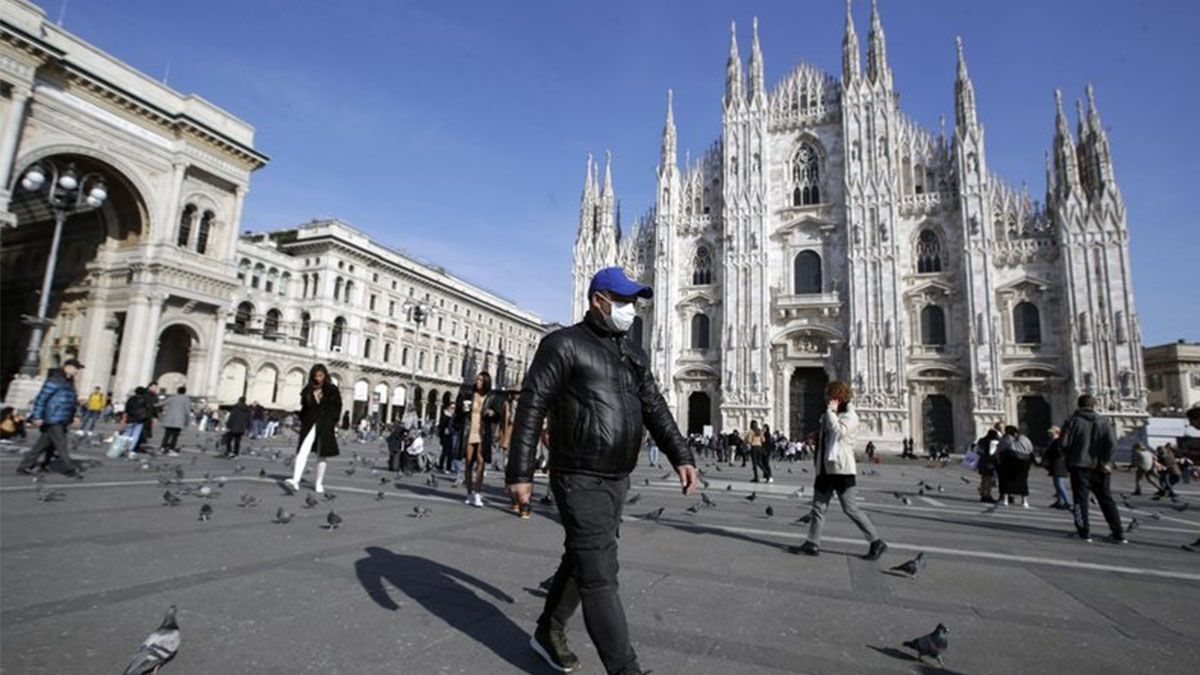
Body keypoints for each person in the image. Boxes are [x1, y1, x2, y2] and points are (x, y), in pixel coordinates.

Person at [506, 266, 697, 675]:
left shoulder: (632, 353)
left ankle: (548, 630)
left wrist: (681, 454)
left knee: (583, 557)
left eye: (633, 301)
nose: (631, 308)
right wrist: (520, 472)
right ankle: (625, 669)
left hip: (617, 477)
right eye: (624, 300)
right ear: (599, 300)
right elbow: (531, 404)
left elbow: (655, 407)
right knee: (600, 573)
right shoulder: (563, 344)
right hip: (577, 474)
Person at [794, 381, 888, 560]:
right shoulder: (833, 414)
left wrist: (829, 412)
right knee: (818, 508)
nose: (825, 398)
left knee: (850, 508)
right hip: (825, 469)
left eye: (828, 395)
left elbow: (839, 432)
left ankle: (876, 541)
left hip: (841, 470)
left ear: (836, 397)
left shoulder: (850, 416)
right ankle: (812, 543)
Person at [1059, 395, 1125, 544]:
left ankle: (1084, 532)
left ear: (1078, 404)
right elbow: (1113, 444)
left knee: (1080, 500)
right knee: (1106, 499)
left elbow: (1063, 444)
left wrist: (1070, 458)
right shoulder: (1104, 421)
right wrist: (1107, 462)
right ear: (1094, 405)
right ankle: (1118, 533)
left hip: (1079, 466)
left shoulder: (1072, 421)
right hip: (1101, 467)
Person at [16, 359, 84, 476]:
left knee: (43, 444)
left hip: (62, 418)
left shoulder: (68, 382)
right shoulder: (55, 380)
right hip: (53, 417)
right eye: (75, 368)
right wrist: (37, 416)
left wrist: (74, 416)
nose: (77, 371)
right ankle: (69, 468)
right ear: (67, 367)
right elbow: (41, 399)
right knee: (61, 442)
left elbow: (71, 401)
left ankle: (25, 466)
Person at [285, 364, 342, 494]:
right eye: (315, 376)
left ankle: (318, 483)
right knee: (302, 451)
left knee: (322, 455)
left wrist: (332, 421)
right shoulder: (308, 390)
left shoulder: (332, 389)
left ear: (325, 375)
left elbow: (337, 407)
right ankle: (295, 480)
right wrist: (299, 417)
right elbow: (304, 408)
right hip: (309, 424)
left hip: (325, 424)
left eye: (320, 376)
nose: (318, 379)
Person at [457, 371, 503, 508]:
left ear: (486, 382)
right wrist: (463, 409)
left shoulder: (492, 397)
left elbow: (497, 415)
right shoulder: (468, 394)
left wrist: (492, 413)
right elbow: (458, 412)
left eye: (481, 380)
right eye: (477, 379)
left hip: (483, 433)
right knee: (468, 463)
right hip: (469, 431)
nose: (478, 382)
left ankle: (477, 493)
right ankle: (469, 493)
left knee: (481, 463)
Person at [998, 425, 1033, 508]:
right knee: (1023, 481)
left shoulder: (1007, 439)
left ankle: (1006, 499)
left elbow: (1001, 448)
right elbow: (1031, 449)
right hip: (1025, 461)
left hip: (1011, 461)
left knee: (1007, 479)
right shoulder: (1025, 439)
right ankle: (1024, 501)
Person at [1041, 426, 1072, 509]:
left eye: (1051, 432)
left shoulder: (1059, 441)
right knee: (1057, 483)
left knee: (1059, 483)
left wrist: (1049, 452)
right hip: (1055, 464)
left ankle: (1067, 501)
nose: (1049, 434)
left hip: (1059, 464)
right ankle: (1059, 501)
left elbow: (1059, 452)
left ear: (1056, 433)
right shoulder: (1053, 441)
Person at [975, 422, 1003, 503]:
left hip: (982, 461)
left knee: (983, 479)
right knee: (989, 480)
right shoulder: (993, 442)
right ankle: (987, 495)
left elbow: (977, 450)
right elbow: (992, 453)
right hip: (989, 463)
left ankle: (983, 494)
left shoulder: (981, 440)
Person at [159, 386, 191, 456]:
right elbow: (187, 411)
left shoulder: (171, 398)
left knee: (167, 435)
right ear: (185, 392)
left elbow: (161, 404)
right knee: (175, 436)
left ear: (177, 391)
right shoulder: (186, 399)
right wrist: (188, 421)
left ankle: (163, 447)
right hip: (179, 421)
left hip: (169, 419)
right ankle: (171, 449)